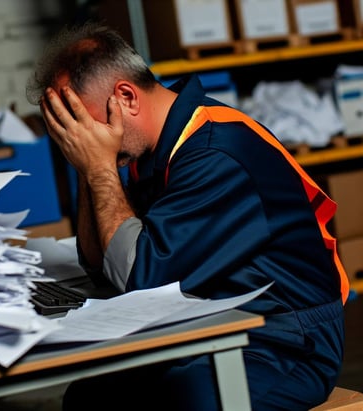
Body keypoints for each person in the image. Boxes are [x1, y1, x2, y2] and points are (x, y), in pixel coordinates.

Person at [26, 22, 348, 410]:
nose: (81, 141)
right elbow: (101, 265)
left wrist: (98, 169)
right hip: (211, 317)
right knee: (89, 397)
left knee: (185, 400)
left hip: (287, 337)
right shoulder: (148, 147)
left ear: (126, 98)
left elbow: (138, 279)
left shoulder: (215, 153)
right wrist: (85, 167)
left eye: (81, 125)